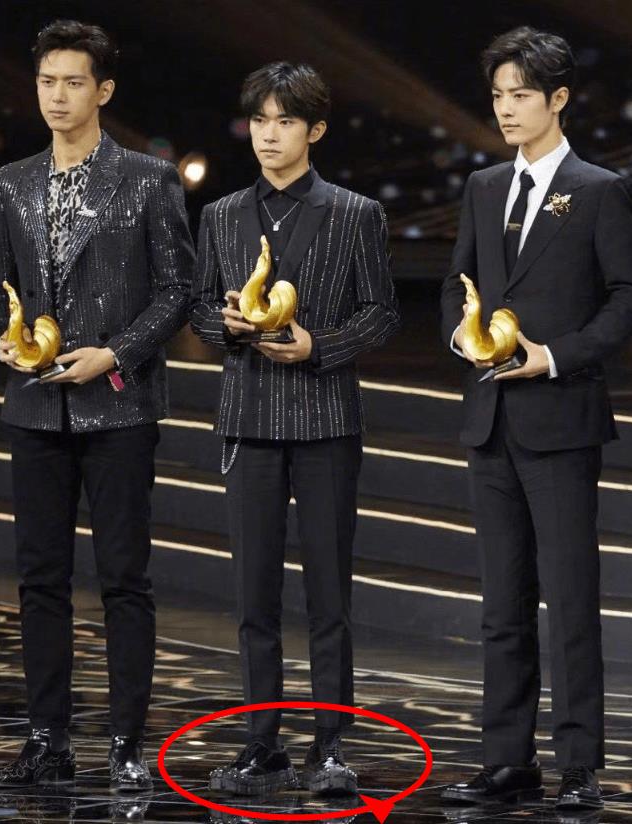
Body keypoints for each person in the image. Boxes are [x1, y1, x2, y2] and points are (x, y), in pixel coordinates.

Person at [439, 26, 632, 810]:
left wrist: (557, 355)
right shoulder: (483, 185)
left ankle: (579, 765)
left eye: (521, 95)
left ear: (558, 99)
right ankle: (507, 759)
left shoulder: (597, 189)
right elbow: (457, 282)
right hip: (490, 418)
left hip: (560, 417)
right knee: (501, 605)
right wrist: (462, 337)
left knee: (569, 601)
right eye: (498, 95)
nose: (506, 108)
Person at [189, 61, 399, 797]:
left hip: (326, 421)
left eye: (285, 121)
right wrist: (224, 325)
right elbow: (197, 309)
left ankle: (330, 746)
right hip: (248, 420)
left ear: (316, 130)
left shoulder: (355, 213)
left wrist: (319, 346)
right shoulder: (221, 215)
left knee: (329, 596)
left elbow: (382, 312)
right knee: (253, 597)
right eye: (260, 120)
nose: (269, 135)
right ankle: (261, 744)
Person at [0, 20, 194, 789]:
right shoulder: (10, 182)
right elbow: (1, 287)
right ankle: (47, 739)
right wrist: (5, 340)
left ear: (103, 90)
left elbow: (177, 290)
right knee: (40, 579)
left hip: (118, 406)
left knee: (122, 578)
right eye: (47, 80)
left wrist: (115, 353)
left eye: (73, 82)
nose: (57, 95)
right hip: (34, 406)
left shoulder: (146, 179)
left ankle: (126, 743)